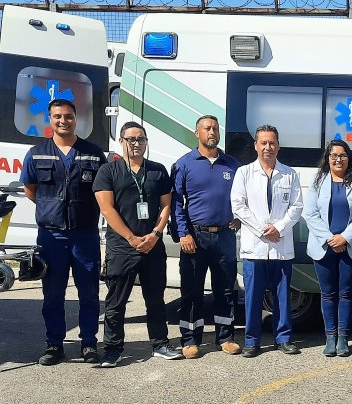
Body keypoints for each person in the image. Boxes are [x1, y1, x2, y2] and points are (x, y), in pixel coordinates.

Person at [20, 99, 106, 365]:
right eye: (57, 116)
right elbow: (30, 190)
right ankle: (54, 344)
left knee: (89, 293)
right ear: (50, 119)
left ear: (76, 118)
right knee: (53, 293)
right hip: (52, 236)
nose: (63, 121)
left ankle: (89, 343)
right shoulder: (36, 153)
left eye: (68, 116)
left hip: (85, 235)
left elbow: (103, 191)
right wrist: (52, 210)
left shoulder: (93, 153)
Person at [93, 121, 182, 367]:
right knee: (116, 302)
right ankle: (112, 348)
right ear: (121, 141)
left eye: (140, 139)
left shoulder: (157, 171)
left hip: (153, 245)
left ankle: (160, 344)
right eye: (130, 139)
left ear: (145, 142)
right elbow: (107, 208)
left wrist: (155, 233)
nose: (136, 144)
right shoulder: (108, 171)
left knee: (155, 299)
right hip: (122, 247)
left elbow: (166, 205)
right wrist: (131, 238)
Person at [170, 115, 242, 359]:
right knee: (192, 291)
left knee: (225, 290)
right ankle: (190, 339)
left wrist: (240, 218)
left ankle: (226, 337)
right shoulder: (184, 164)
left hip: (225, 237)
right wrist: (183, 233)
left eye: (215, 128)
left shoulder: (233, 165)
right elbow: (177, 203)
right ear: (197, 133)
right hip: (195, 238)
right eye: (207, 128)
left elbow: (243, 199)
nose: (212, 132)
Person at [230, 125, 304, 357]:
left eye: (272, 143)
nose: (268, 147)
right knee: (252, 297)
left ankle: (283, 338)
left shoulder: (290, 174)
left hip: (281, 247)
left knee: (283, 296)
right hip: (255, 247)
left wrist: (278, 228)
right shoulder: (244, 173)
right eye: (263, 143)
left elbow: (297, 207)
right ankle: (252, 341)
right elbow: (238, 206)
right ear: (255, 146)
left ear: (278, 146)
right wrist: (263, 230)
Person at [302, 140, 352, 357]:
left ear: (348, 158)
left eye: (342, 155)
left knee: (346, 293)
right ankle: (330, 337)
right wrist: (330, 238)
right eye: (333, 155)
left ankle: (343, 338)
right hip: (324, 246)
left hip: (350, 246)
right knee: (328, 293)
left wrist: (345, 237)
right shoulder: (318, 181)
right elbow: (310, 213)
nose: (338, 159)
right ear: (327, 158)